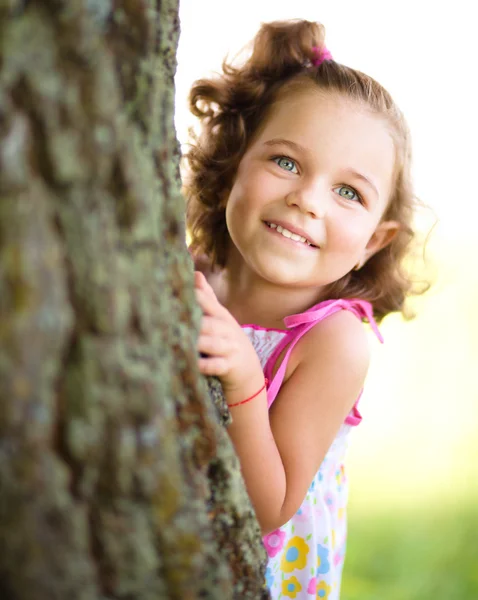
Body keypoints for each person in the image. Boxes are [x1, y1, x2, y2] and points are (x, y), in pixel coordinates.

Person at [184, 19, 423, 599]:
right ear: (235, 160)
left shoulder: (333, 341)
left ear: (374, 239)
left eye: (349, 192)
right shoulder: (189, 274)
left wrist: (244, 376)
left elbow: (269, 508)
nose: (306, 199)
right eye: (286, 162)